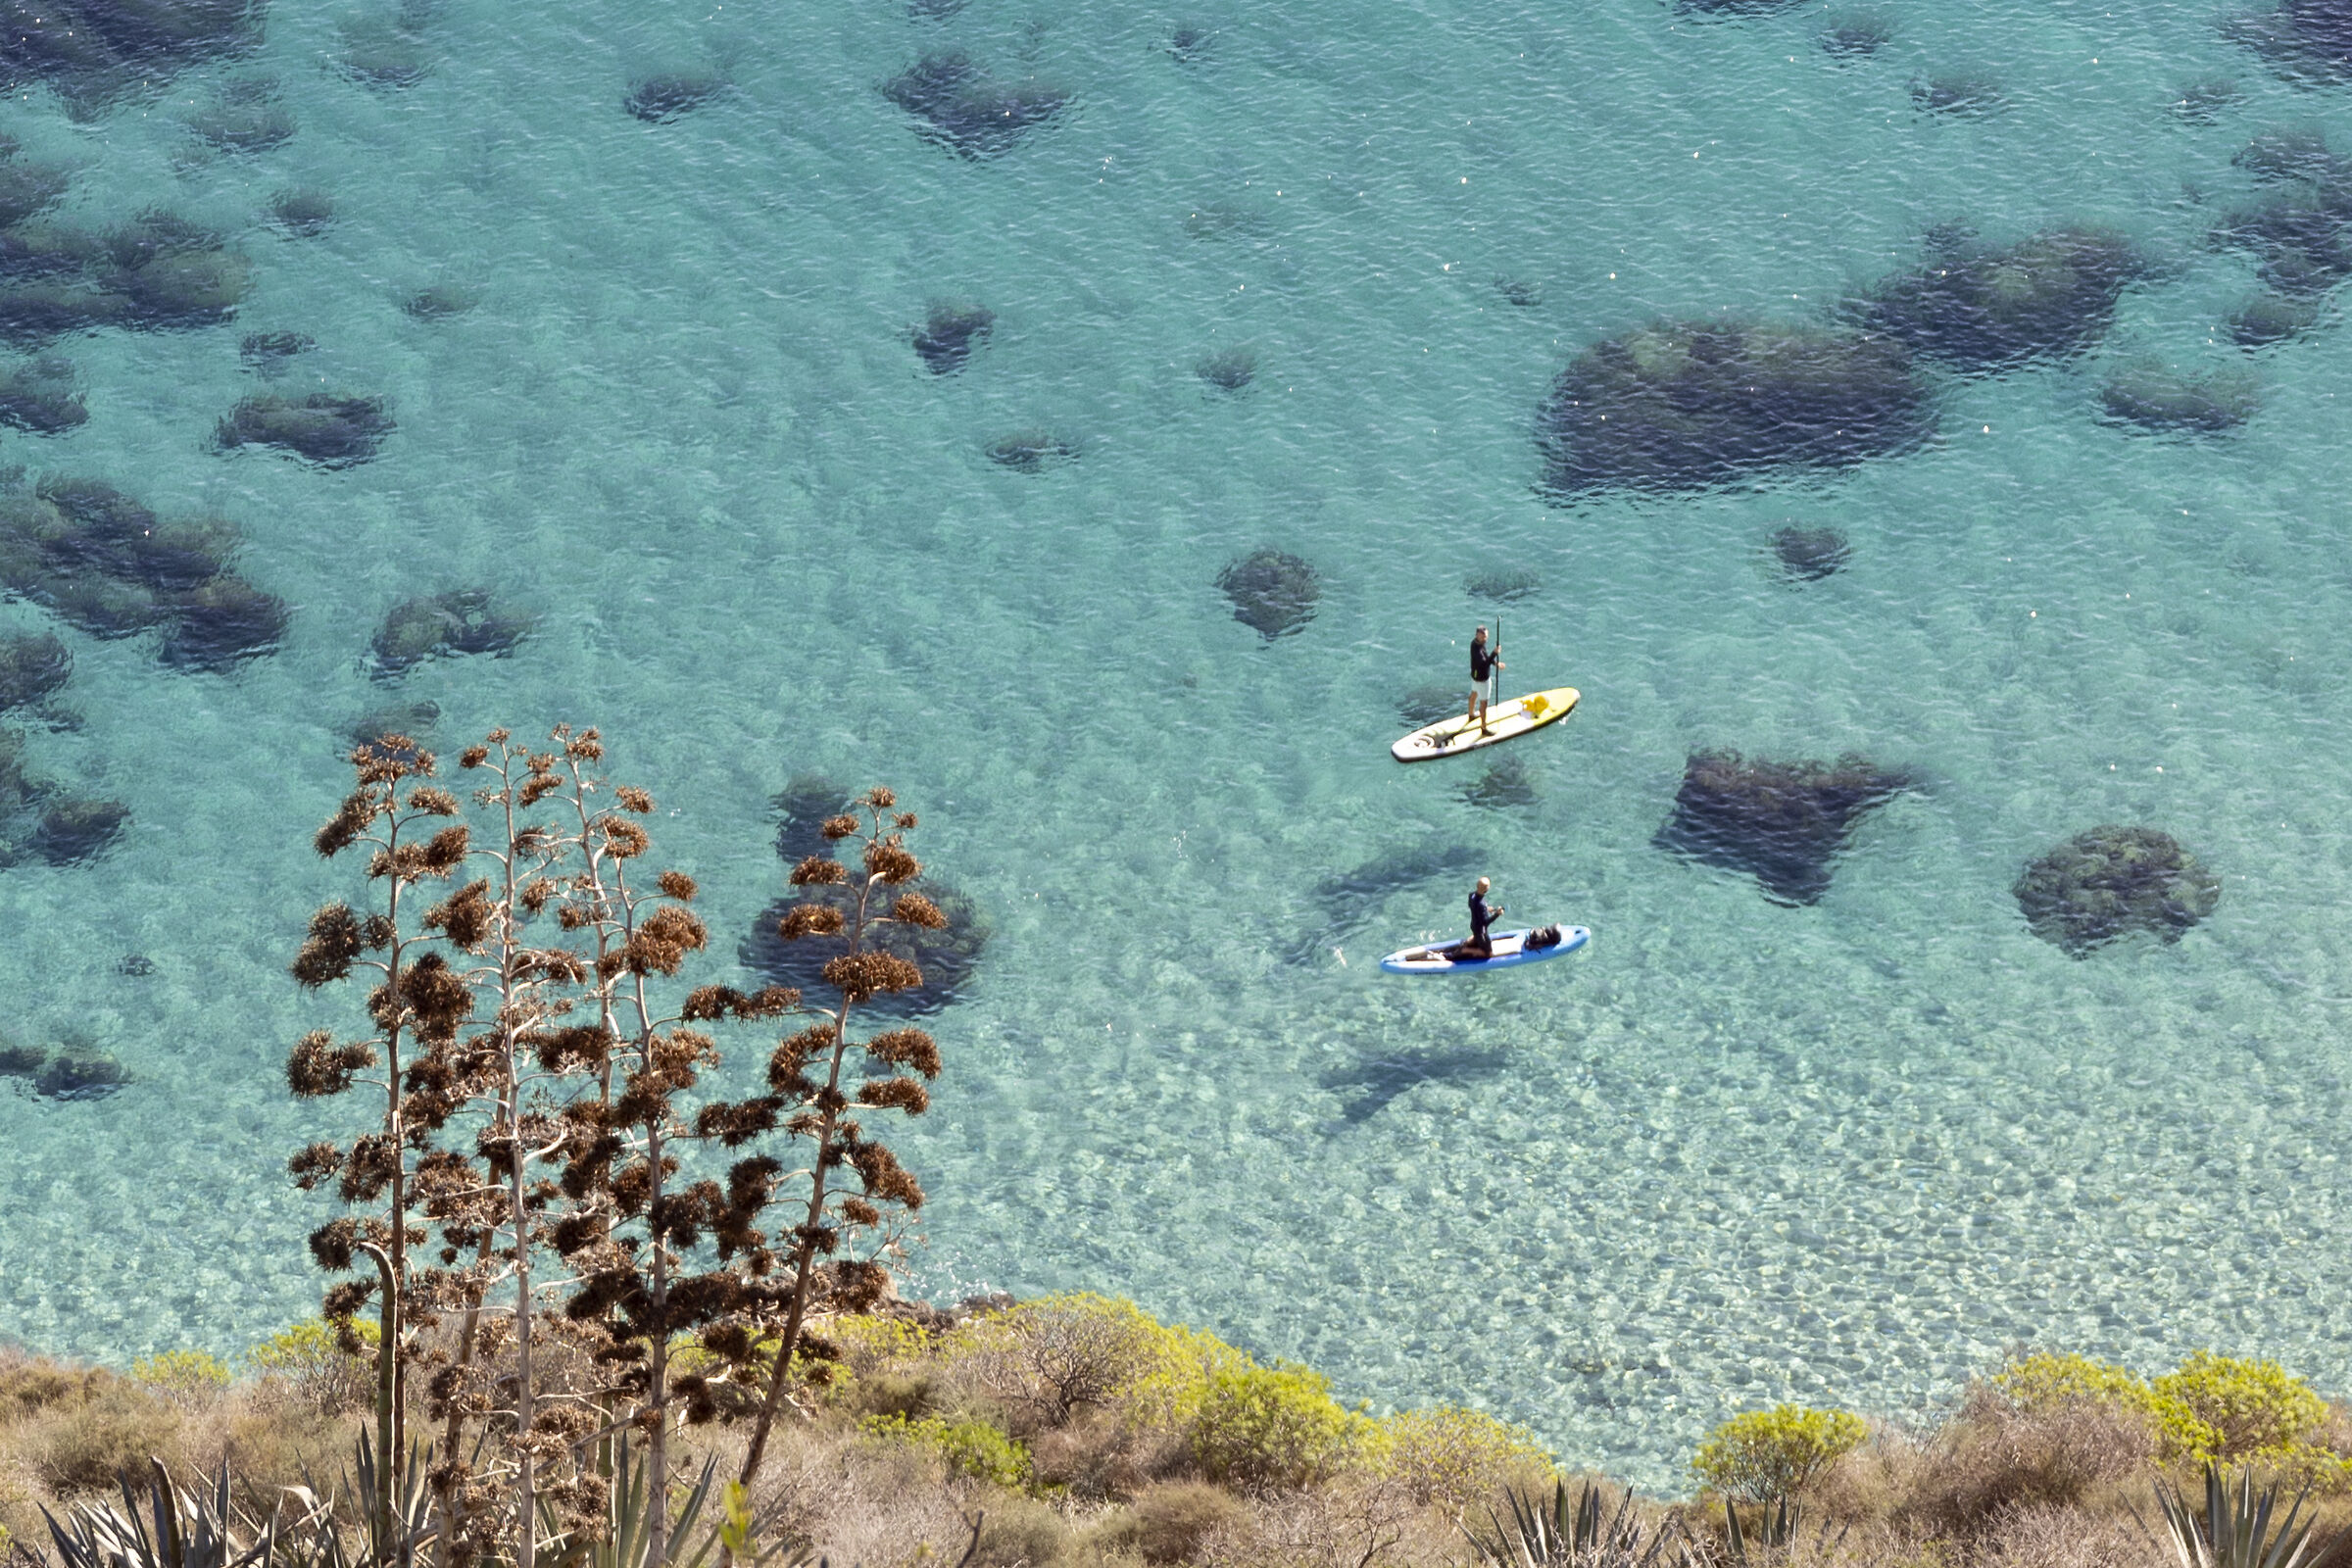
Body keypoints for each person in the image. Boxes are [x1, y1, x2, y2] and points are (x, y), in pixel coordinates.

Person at [1467, 625, 1504, 729]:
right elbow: (1484, 663)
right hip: (1482, 680)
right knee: (1484, 703)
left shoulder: (1477, 643)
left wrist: (1496, 663)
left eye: (1486, 637)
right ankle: (1483, 728)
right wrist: (1495, 653)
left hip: (1475, 676)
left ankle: (1471, 714)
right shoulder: (1476, 648)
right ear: (1477, 635)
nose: (1485, 639)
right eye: (1483, 637)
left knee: (1474, 694)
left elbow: (1485, 657)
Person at [1458, 876, 1500, 960]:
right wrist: (1497, 914)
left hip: (1474, 925)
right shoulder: (1481, 904)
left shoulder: (1472, 895)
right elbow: (1485, 922)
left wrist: (1487, 908)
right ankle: (1465, 950)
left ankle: (1471, 941)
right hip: (1481, 931)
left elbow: (1473, 906)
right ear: (1486, 889)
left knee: (1476, 936)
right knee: (1489, 954)